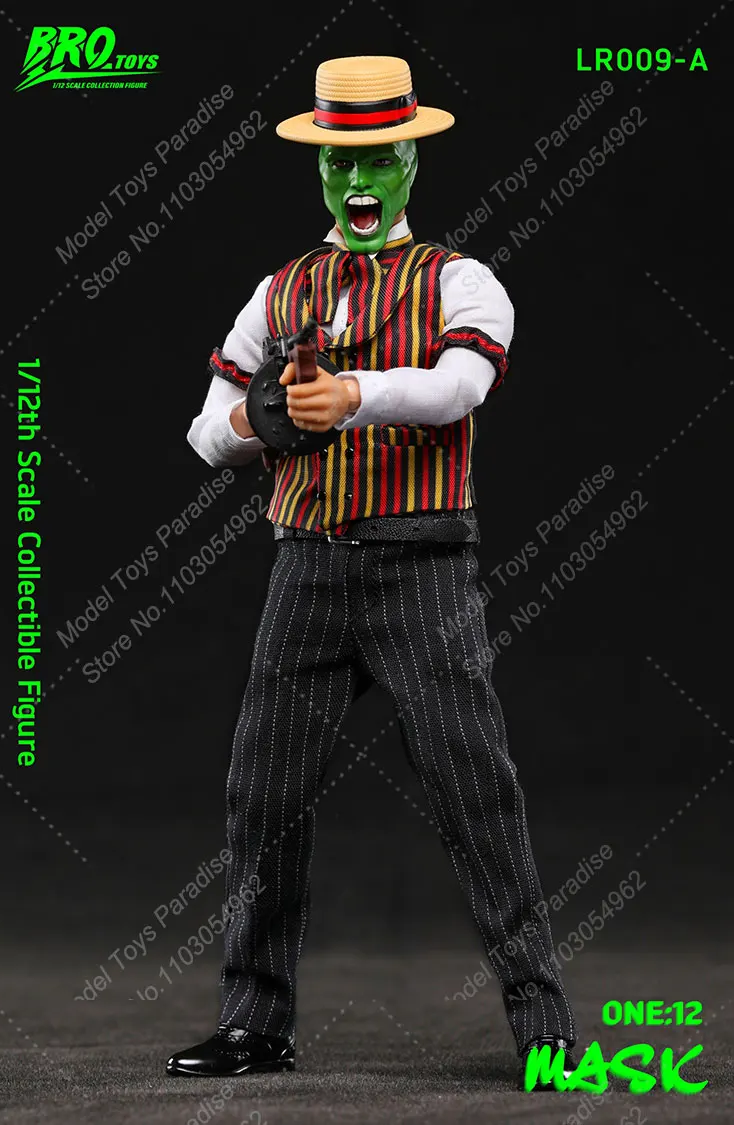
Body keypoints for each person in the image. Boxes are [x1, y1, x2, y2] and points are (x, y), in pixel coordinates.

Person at [168, 55, 577, 1088]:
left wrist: (353, 395)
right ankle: (254, 1022)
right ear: (320, 167)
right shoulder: (280, 292)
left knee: (475, 788)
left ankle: (543, 1025)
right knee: (262, 795)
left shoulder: (460, 280)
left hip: (420, 569)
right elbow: (206, 433)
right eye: (339, 158)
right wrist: (265, 417)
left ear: (410, 161)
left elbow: (456, 389)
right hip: (306, 570)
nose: (358, 177)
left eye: (378, 156)